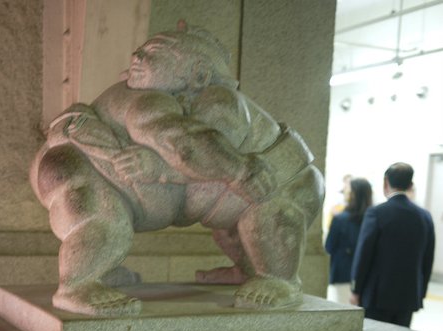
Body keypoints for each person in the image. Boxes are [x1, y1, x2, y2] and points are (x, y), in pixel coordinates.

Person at [31, 24, 324, 315]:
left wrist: (232, 171)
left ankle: (279, 279)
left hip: (283, 182)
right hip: (72, 165)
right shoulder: (145, 100)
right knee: (104, 220)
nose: (137, 57)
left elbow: (191, 146)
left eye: (154, 53)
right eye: (141, 51)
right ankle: (78, 282)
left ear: (199, 73)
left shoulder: (220, 100)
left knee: (265, 215)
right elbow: (189, 150)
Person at [350, 162, 435, 327]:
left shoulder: (376, 213)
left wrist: (356, 289)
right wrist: (421, 292)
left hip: (377, 296)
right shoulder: (425, 216)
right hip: (408, 296)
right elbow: (428, 259)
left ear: (385, 182)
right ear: (410, 185)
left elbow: (364, 254)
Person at [325, 177, 372, 304]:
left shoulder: (340, 219)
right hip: (368, 277)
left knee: (344, 311)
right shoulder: (373, 219)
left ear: (353, 194)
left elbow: (329, 246)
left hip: (343, 274)